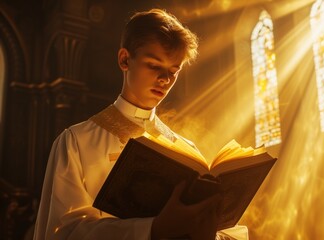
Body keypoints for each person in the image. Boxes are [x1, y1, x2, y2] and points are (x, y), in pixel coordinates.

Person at [33, 8, 248, 240]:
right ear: (125, 59)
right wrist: (153, 229)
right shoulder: (75, 142)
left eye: (173, 71)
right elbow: (65, 232)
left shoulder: (185, 151)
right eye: (154, 65)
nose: (165, 79)